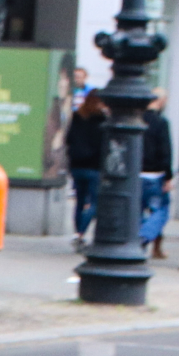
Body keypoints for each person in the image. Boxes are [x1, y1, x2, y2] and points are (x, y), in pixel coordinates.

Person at [65, 93, 108, 244]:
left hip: (77, 165)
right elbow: (104, 144)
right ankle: (81, 232)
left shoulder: (77, 116)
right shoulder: (102, 120)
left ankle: (77, 231)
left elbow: (69, 138)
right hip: (94, 166)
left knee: (80, 201)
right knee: (95, 202)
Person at [139, 93, 174, 261]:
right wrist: (168, 176)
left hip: (136, 174)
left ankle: (139, 241)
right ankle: (144, 237)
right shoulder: (161, 123)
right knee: (160, 210)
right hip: (155, 174)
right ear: (160, 101)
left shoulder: (136, 119)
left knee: (136, 210)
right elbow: (165, 150)